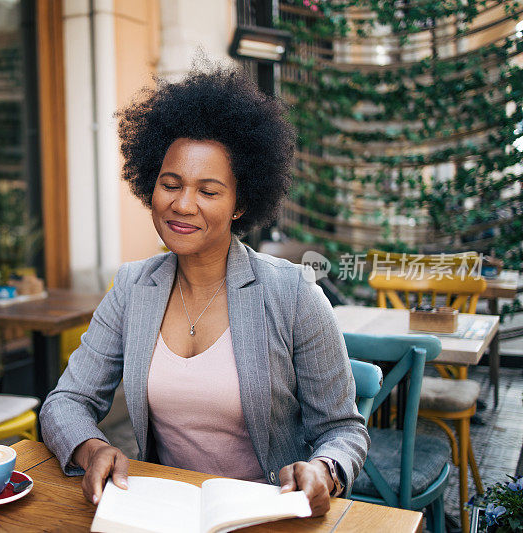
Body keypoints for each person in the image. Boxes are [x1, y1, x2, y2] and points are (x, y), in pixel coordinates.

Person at [40, 66, 369, 517]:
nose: (183, 204)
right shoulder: (133, 288)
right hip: (164, 510)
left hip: (268, 513)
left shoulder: (293, 294)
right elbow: (66, 402)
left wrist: (324, 469)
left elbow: (343, 429)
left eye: (208, 191)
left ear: (241, 203)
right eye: (170, 184)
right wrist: (91, 448)